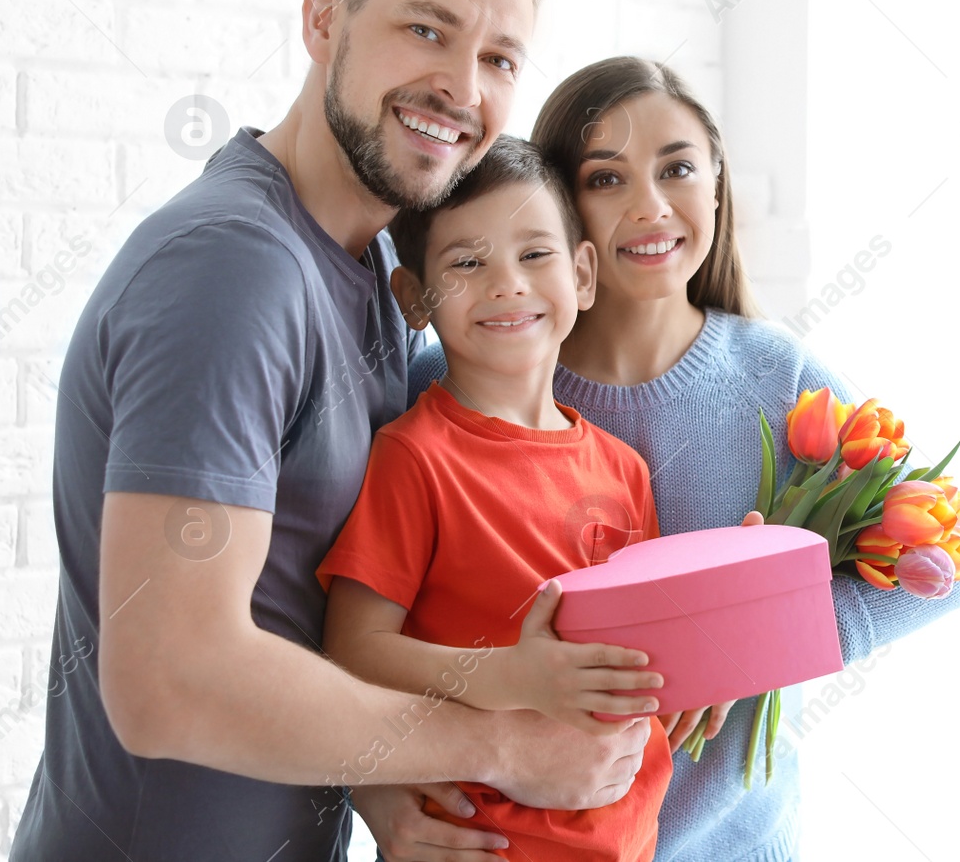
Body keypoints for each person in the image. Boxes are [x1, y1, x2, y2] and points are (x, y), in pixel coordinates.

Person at [9, 0, 654, 861]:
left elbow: (320, 614)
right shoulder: (232, 269)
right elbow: (170, 679)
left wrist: (384, 789)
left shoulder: (381, 280)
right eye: (426, 30)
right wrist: (500, 746)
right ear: (323, 19)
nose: (461, 88)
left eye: (498, 57)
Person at [391, 57, 960, 861]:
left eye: (678, 168)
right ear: (562, 210)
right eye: (606, 179)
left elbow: (948, 561)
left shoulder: (778, 379)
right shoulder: (456, 386)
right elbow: (352, 627)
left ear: (716, 183)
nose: (650, 206)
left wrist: (756, 645)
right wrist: (378, 792)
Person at [319, 139, 755, 860]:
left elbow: (647, 653)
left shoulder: (624, 468)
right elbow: (349, 653)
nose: (507, 285)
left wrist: (734, 596)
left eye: (534, 255)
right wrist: (502, 676)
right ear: (414, 298)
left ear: (583, 274)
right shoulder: (414, 456)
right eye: (466, 262)